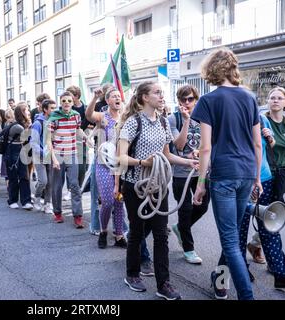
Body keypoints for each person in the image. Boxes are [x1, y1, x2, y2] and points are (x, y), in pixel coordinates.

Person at [192, 48, 263, 300]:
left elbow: (206, 147)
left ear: (211, 69)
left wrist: (201, 183)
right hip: (246, 173)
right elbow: (257, 144)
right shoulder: (249, 97)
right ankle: (220, 280)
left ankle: (246, 296)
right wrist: (256, 178)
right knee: (231, 236)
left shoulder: (208, 100)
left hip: (223, 174)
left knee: (231, 243)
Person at [118, 81, 198, 300]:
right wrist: (144, 162)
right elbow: (120, 157)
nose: (162, 96)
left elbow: (167, 155)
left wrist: (187, 162)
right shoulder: (133, 122)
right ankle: (132, 273)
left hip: (158, 185)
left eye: (162, 93)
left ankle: (164, 283)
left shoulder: (163, 122)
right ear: (144, 97)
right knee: (136, 230)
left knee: (161, 234)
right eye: (157, 93)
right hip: (136, 185)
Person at [239, 108, 285, 290]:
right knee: (240, 230)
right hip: (241, 180)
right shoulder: (232, 119)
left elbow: (269, 146)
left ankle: (281, 273)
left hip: (264, 178)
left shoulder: (260, 119)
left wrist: (269, 138)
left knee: (270, 227)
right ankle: (239, 269)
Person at [169, 85, 209, 264]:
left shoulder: (204, 119)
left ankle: (180, 228)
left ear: (196, 99)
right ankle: (188, 248)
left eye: (190, 99)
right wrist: (186, 121)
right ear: (178, 100)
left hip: (201, 171)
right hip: (181, 173)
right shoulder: (173, 118)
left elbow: (209, 143)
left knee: (202, 207)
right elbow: (178, 145)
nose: (187, 102)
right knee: (184, 210)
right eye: (183, 99)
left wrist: (201, 153)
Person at [86, 87, 127, 249]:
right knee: (108, 200)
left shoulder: (126, 118)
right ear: (108, 101)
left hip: (121, 163)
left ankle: (119, 235)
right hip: (103, 163)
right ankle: (103, 231)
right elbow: (88, 115)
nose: (117, 98)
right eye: (114, 96)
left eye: (119, 96)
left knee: (119, 201)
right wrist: (94, 98)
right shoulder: (103, 117)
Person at [47, 91, 87, 228]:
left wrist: (85, 136)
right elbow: (48, 141)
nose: (67, 103)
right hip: (58, 155)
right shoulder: (54, 117)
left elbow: (78, 129)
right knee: (57, 186)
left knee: (74, 185)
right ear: (60, 102)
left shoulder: (76, 116)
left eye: (69, 101)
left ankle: (78, 216)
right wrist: (54, 159)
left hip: (72, 154)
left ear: (73, 102)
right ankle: (57, 213)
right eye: (64, 101)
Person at [31, 99, 57, 214]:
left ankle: (47, 204)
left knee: (50, 182)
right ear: (45, 109)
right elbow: (33, 142)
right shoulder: (38, 123)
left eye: (55, 108)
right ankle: (36, 199)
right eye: (52, 108)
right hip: (39, 155)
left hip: (50, 155)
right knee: (43, 181)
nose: (54, 110)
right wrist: (43, 152)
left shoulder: (54, 122)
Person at [6, 102, 33, 210]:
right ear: (21, 113)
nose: (29, 112)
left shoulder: (25, 124)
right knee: (13, 176)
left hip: (22, 150)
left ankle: (26, 201)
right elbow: (26, 138)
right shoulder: (17, 126)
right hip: (13, 150)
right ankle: (12, 200)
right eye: (26, 110)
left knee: (24, 176)